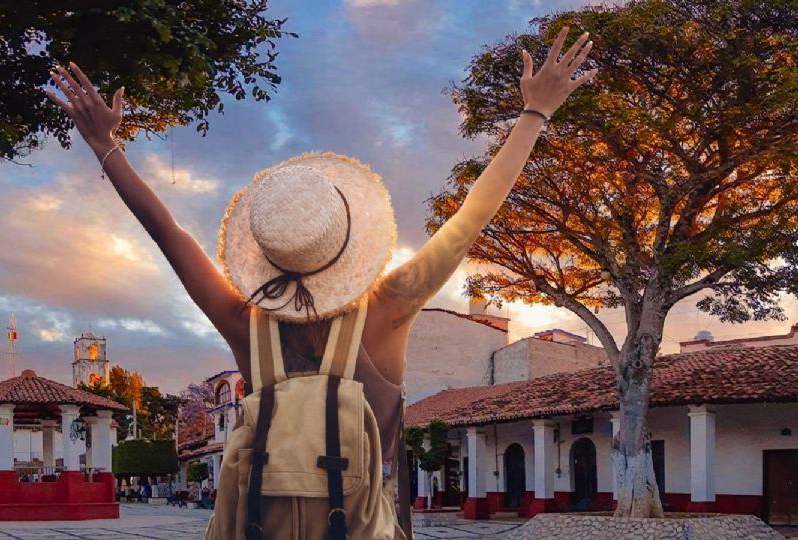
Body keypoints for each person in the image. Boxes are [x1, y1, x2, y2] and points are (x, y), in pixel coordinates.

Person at [45, 24, 595, 539]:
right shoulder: (388, 308)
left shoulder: (246, 323)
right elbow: (471, 217)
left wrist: (107, 146)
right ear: (348, 242)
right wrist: (534, 112)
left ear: (267, 253)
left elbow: (167, 232)